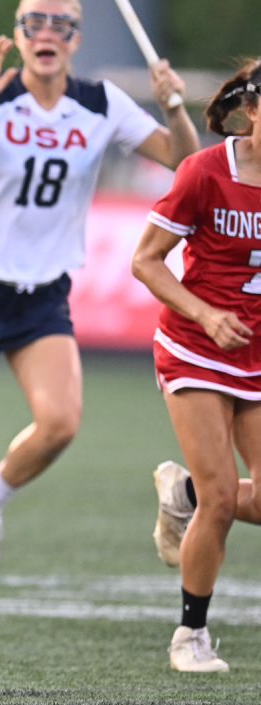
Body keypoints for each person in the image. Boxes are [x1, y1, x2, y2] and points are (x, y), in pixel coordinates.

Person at [0, 0, 200, 618]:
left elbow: (183, 161)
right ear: (19, 34)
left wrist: (176, 106)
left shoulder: (99, 103)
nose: (46, 34)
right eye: (34, 23)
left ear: (76, 37)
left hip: (42, 289)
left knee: (60, 423)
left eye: (60, 25)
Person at [132, 58, 261, 673]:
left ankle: (178, 490)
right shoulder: (205, 172)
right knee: (219, 500)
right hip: (196, 348)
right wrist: (207, 314)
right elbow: (147, 262)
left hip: (258, 357)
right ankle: (191, 636)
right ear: (252, 109)